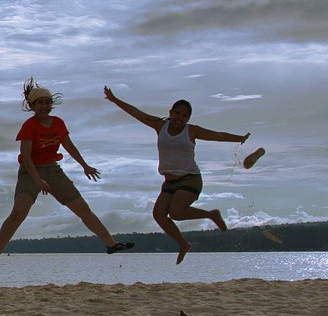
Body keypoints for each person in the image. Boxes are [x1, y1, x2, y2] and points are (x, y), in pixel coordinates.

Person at [0, 78, 132, 270]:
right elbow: (26, 157)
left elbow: (69, 146)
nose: (45, 106)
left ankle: (111, 244)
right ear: (32, 105)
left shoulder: (58, 123)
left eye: (47, 102)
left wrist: (85, 166)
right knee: (18, 213)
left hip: (53, 170)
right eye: (40, 103)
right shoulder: (29, 126)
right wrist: (38, 180)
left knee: (83, 209)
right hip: (30, 172)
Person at [104, 87, 252, 264]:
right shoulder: (160, 125)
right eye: (177, 113)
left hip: (190, 178)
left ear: (188, 119)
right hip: (169, 182)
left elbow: (217, 136)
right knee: (158, 214)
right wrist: (115, 100)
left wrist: (239, 138)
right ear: (170, 112)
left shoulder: (191, 131)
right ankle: (183, 244)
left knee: (176, 213)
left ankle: (211, 214)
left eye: (184, 116)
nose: (179, 118)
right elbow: (137, 113)